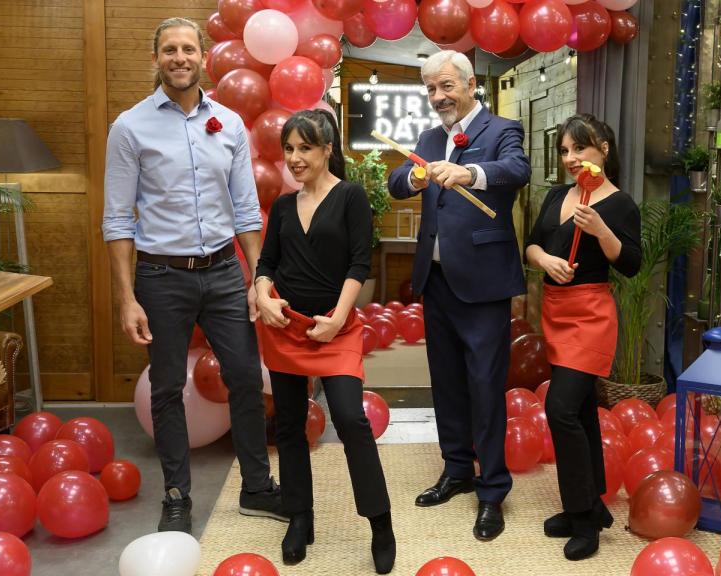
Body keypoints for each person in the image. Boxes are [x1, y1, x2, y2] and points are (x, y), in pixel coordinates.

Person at [102, 17, 283, 534]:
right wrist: (126, 298)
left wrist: (257, 279)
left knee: (247, 378)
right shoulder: (129, 127)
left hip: (226, 271)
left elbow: (247, 211)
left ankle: (255, 487)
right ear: (156, 58)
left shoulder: (227, 123)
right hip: (161, 278)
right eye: (168, 50)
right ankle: (177, 496)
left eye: (187, 49)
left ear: (202, 57)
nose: (179, 58)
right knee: (165, 389)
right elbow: (117, 219)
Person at [387, 50, 531, 542]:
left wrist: (470, 174)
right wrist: (417, 175)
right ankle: (456, 469)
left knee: (485, 386)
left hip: (485, 281)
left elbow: (517, 170)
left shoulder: (502, 128)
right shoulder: (429, 139)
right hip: (437, 280)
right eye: (430, 89)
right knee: (445, 382)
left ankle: (492, 490)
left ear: (471, 85)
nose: (438, 97)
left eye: (445, 86)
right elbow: (396, 183)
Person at [255, 110, 395, 573]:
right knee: (291, 426)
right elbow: (266, 263)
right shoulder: (281, 205)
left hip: (337, 329)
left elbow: (360, 264)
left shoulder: (351, 196)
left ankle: (380, 522)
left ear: (327, 149)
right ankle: (300, 517)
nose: (295, 159)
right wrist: (262, 297)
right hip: (285, 327)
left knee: (351, 419)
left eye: (305, 149)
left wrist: (338, 318)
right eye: (289, 150)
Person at [524, 114, 641, 560]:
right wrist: (545, 262)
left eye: (581, 149)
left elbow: (630, 263)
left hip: (591, 316)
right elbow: (532, 244)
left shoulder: (618, 203)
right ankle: (591, 504)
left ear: (603, 150)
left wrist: (601, 231)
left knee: (560, 409)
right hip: (556, 311)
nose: (572, 159)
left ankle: (583, 515)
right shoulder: (558, 194)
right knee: (583, 412)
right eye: (566, 151)